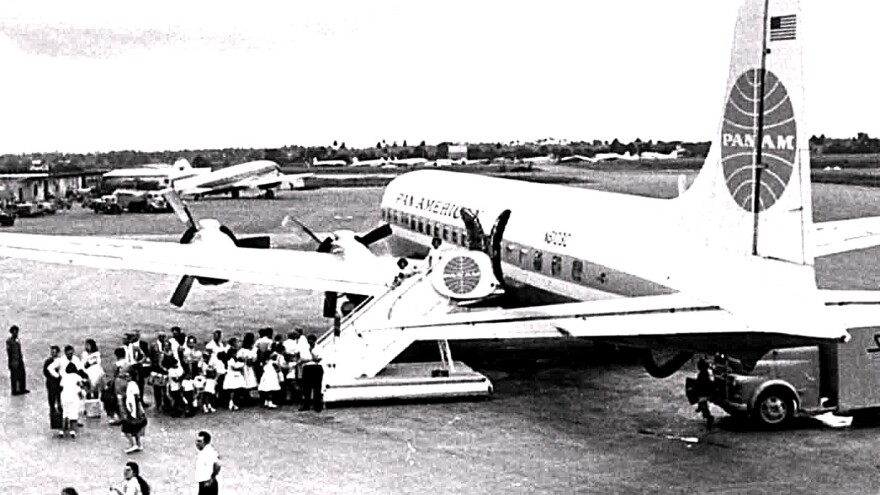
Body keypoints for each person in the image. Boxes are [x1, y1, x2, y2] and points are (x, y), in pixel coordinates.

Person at [121, 370, 147, 453]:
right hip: (132, 409)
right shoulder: (131, 384)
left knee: (126, 429)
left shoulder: (132, 385)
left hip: (133, 410)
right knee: (135, 429)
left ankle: (133, 444)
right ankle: (138, 444)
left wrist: (134, 411)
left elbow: (136, 398)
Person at [59, 362, 85, 438]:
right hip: (73, 396)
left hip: (64, 396)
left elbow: (61, 386)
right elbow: (80, 386)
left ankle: (62, 431)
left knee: (65, 413)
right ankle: (72, 431)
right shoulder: (77, 377)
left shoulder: (64, 376)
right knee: (73, 414)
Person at [299, 334, 324, 412]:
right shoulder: (304, 348)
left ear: (314, 341)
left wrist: (311, 353)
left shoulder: (319, 348)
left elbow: (318, 359)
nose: (309, 342)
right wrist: (311, 359)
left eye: (311, 341)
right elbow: (302, 359)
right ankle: (306, 405)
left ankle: (317, 406)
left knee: (317, 387)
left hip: (316, 367)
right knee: (306, 388)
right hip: (307, 367)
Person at [195, 430, 221, 495]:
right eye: (197, 440)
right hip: (204, 484)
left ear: (206, 442)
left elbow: (218, 465)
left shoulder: (209, 452)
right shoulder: (203, 451)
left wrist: (211, 478)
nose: (197, 443)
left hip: (208, 484)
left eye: (199, 441)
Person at [6, 325, 29, 395]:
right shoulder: (9, 341)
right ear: (12, 332)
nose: (16, 333)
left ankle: (22, 389)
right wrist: (10, 363)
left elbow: (19, 351)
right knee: (14, 377)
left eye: (17, 332)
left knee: (22, 375)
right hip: (13, 361)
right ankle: (14, 391)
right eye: (14, 332)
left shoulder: (17, 340)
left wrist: (21, 359)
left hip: (19, 360)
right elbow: (9, 353)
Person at [694, 358, 715, 429]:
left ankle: (709, 418)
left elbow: (707, 383)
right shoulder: (704, 373)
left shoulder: (704, 374)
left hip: (705, 392)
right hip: (703, 392)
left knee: (703, 405)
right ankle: (707, 416)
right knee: (703, 405)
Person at [43, 345, 62, 423]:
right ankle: (53, 417)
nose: (53, 354)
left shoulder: (61, 361)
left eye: (54, 352)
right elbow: (45, 372)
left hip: (59, 383)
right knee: (51, 399)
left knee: (60, 399)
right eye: (52, 352)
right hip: (51, 383)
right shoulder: (48, 361)